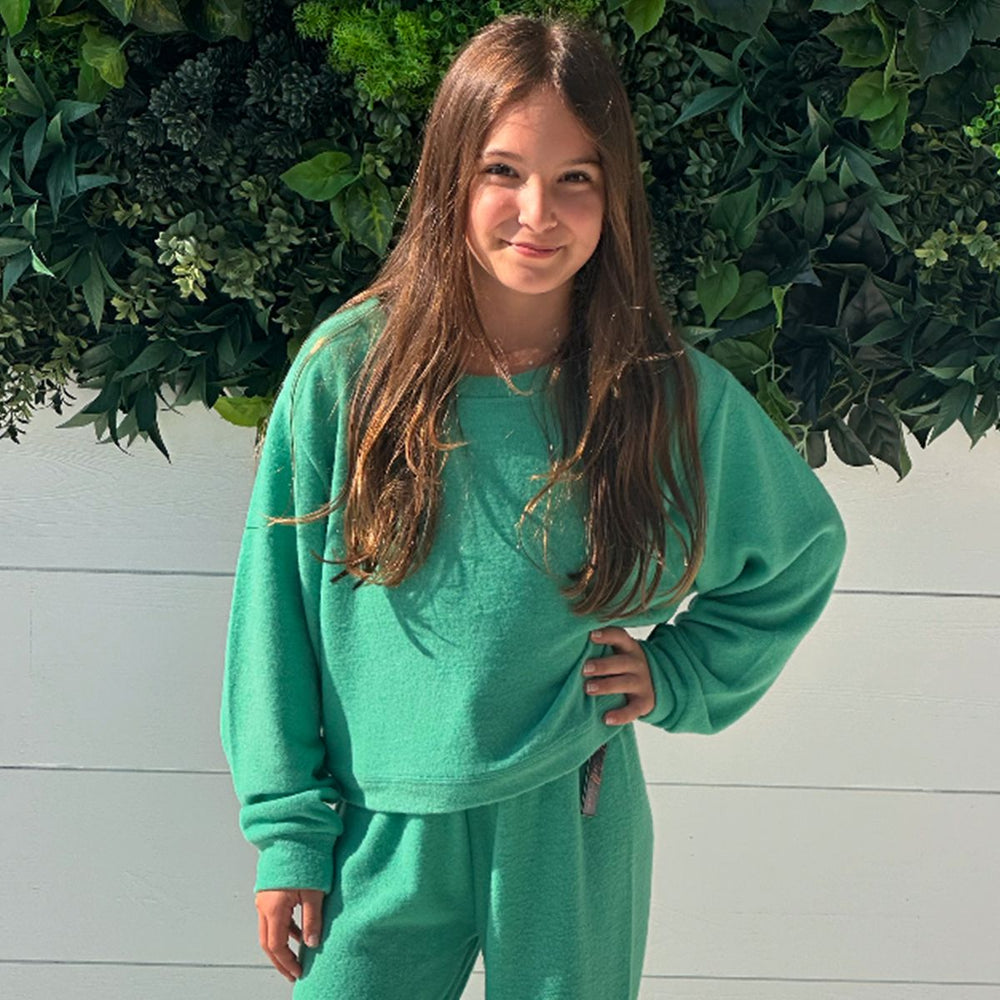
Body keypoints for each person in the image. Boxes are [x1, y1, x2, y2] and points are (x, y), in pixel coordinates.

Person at [220, 12, 847, 1000]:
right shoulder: (348, 374)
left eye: (575, 178)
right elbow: (276, 612)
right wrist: (287, 830)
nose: (537, 211)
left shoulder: (656, 390)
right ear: (450, 177)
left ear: (613, 192)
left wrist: (679, 673)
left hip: (571, 809)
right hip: (379, 821)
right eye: (502, 171)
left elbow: (798, 550)